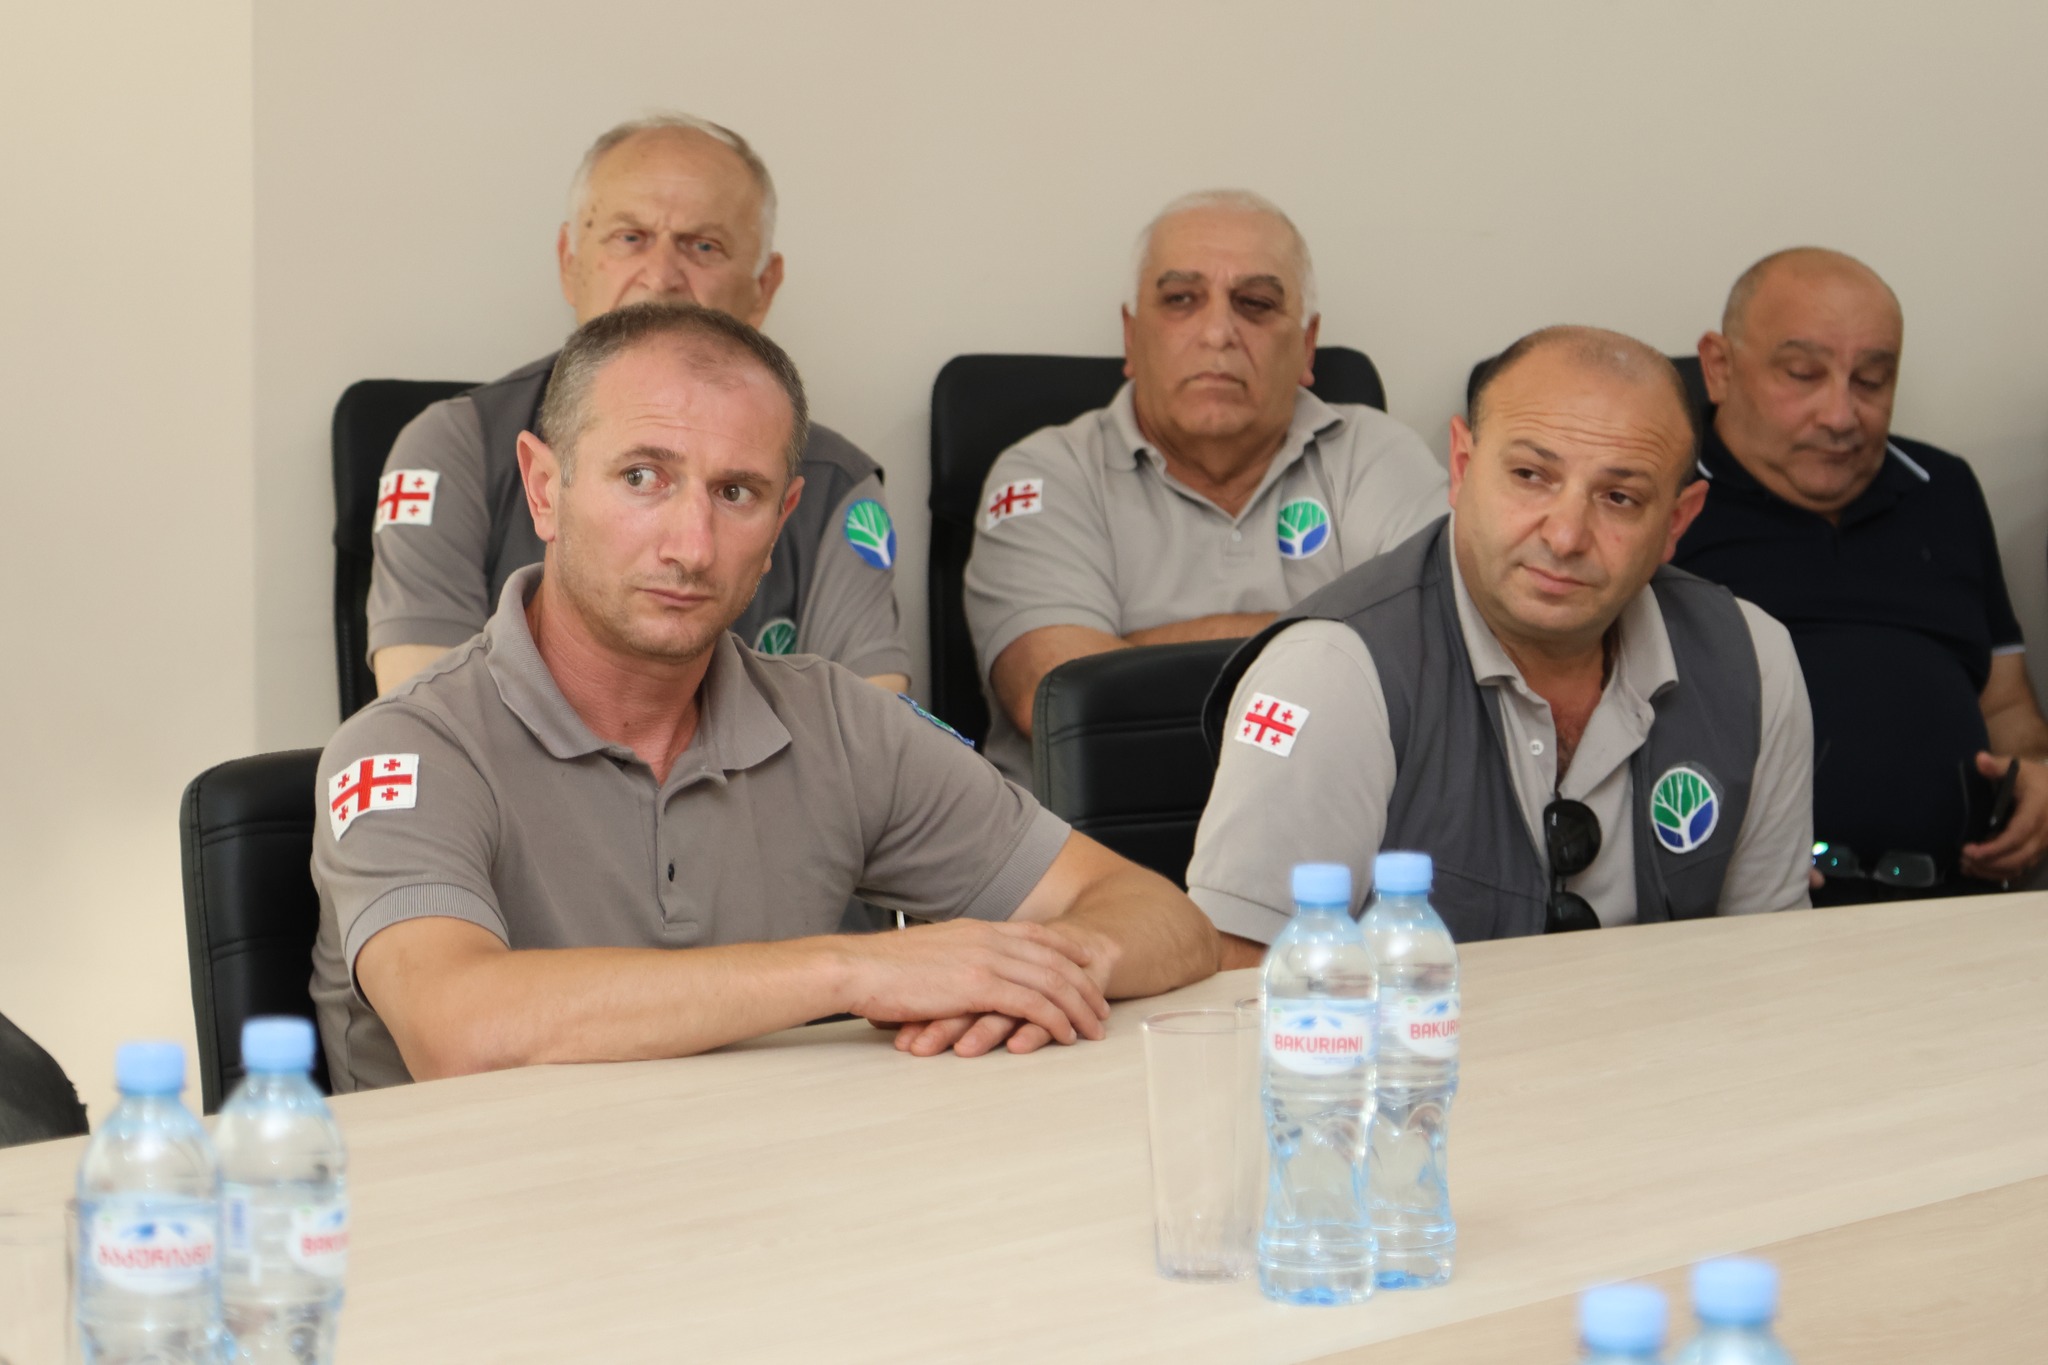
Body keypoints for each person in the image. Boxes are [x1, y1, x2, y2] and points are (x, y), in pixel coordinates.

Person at [311, 302, 1219, 1092]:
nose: (692, 545)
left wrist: (1038, 968)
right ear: (546, 489)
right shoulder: (408, 747)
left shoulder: (838, 723)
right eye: (642, 477)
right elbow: (460, 1028)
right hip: (475, 1220)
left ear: (782, 521)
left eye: (736, 492)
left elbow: (1164, 919)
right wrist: (859, 970)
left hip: (764, 1197)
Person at [1187, 327, 1814, 964]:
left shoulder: (1752, 660)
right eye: (1530, 475)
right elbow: (1247, 979)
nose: (1566, 536)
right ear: (1461, 469)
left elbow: (1771, 963)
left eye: (1619, 498)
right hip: (1416, 1033)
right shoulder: (1330, 674)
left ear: (1676, 521)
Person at [367, 113, 909, 698]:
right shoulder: (455, 446)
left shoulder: (835, 482)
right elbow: (426, 718)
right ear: (569, 262)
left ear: (763, 287)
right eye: (630, 238)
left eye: (704, 246)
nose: (661, 276)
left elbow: (873, 734)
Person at [962, 190, 1447, 781]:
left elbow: (1445, 654)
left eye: (1256, 304)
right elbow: (1056, 698)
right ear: (1130, 337)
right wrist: (1344, 641)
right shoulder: (1046, 474)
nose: (1218, 332)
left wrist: (1129, 651)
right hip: (1093, 830)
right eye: (1181, 300)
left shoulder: (1377, 453)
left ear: (1306, 346)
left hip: (1337, 823)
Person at [1674, 248, 2048, 899]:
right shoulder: (1661, 502)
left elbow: (2006, 703)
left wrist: (2037, 772)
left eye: (1872, 380)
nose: (1841, 415)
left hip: (1957, 900)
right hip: (1750, 909)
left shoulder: (1943, 488)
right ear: (1720, 367)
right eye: (1802, 374)